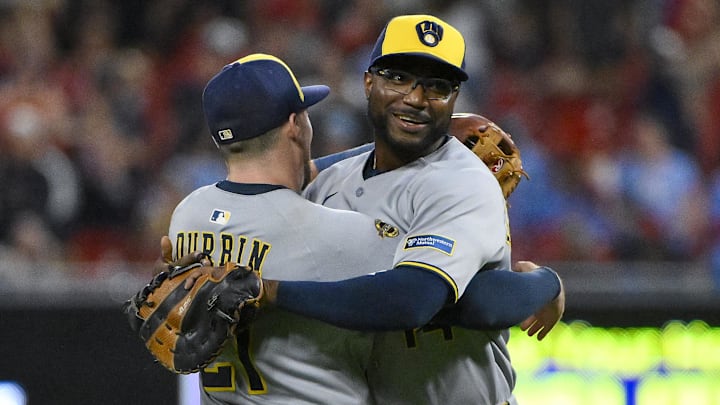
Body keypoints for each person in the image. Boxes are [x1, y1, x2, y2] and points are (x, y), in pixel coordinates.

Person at [163, 46, 562, 404]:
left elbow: (303, 180)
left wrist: (428, 141)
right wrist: (545, 284)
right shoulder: (334, 232)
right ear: (295, 125)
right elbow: (452, 298)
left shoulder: (188, 219)